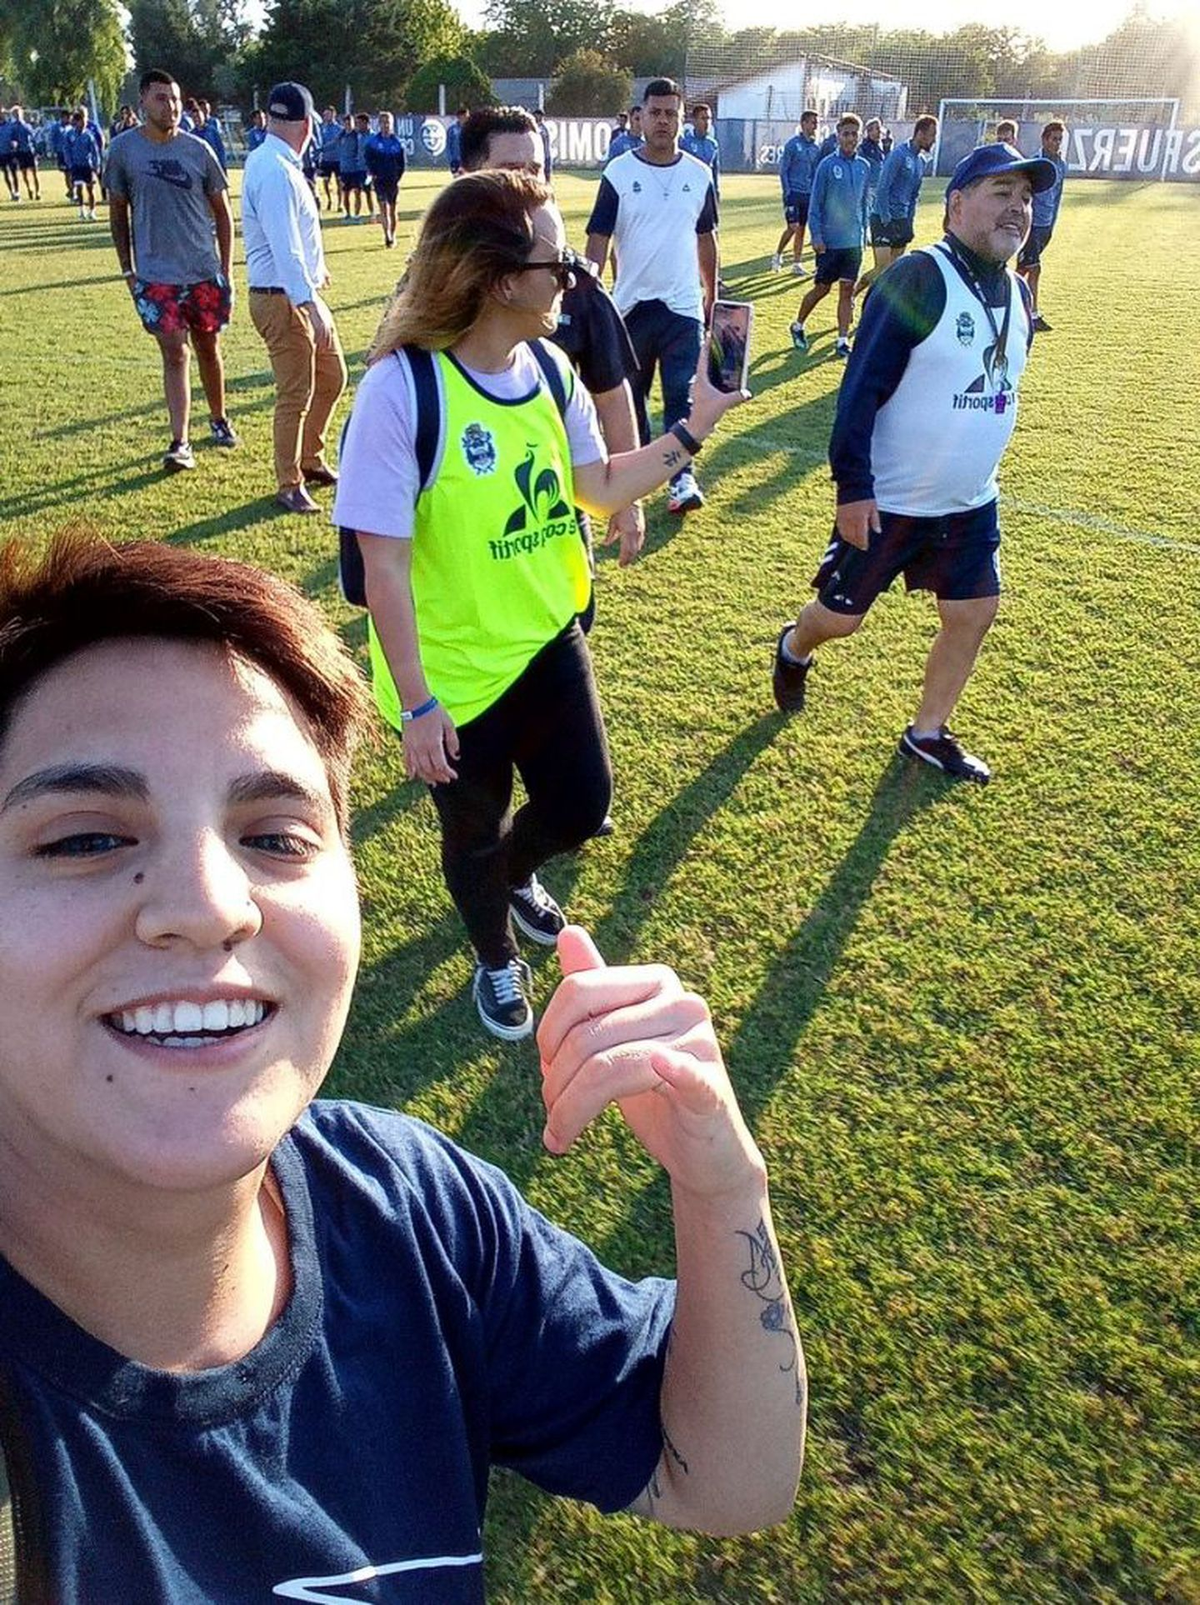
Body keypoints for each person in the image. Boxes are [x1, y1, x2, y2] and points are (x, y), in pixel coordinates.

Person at [0, 528, 804, 1597]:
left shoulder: (413, 1208)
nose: (207, 907)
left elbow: (725, 1480)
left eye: (276, 836)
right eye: (84, 839)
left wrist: (723, 1184)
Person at [333, 171, 746, 1037]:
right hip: (454, 673)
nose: (572, 273)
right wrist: (415, 701)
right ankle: (494, 955)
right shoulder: (402, 392)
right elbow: (384, 567)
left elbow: (597, 486)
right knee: (472, 834)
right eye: (554, 257)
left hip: (550, 638)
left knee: (582, 804)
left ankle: (515, 878)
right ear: (495, 276)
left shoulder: (553, 370)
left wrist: (693, 428)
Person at [771, 142, 1058, 784]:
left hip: (969, 501)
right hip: (891, 500)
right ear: (956, 205)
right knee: (839, 620)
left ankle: (927, 733)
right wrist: (853, 490)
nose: (1018, 209)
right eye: (1001, 193)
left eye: (1026, 199)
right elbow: (859, 392)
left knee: (974, 612)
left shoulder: (1015, 289)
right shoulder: (918, 278)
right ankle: (794, 647)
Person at [459, 105, 645, 581]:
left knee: (571, 620)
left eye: (536, 170)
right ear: (466, 178)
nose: (529, 186)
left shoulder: (574, 280)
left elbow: (610, 389)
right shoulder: (431, 286)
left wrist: (626, 497)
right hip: (458, 514)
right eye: (510, 172)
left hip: (554, 507)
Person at [586, 78, 718, 517]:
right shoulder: (619, 173)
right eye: (655, 113)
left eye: (671, 113)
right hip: (631, 307)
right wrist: (589, 290)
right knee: (632, 400)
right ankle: (634, 482)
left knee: (682, 395)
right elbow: (598, 236)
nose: (663, 121)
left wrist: (711, 292)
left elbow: (706, 237)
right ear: (640, 116)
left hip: (682, 307)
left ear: (682, 118)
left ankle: (682, 480)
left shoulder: (699, 175)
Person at [106, 69, 238, 473]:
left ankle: (218, 418)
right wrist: (128, 270)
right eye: (162, 98)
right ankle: (180, 442)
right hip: (155, 276)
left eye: (176, 99)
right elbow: (117, 213)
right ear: (144, 100)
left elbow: (223, 214)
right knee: (174, 352)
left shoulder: (199, 150)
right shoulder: (124, 151)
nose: (172, 106)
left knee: (208, 349)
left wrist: (226, 270)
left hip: (202, 270)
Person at [242, 80, 347, 515]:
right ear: (307, 125)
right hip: (282, 298)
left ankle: (310, 457)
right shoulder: (275, 169)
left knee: (333, 376)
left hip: (292, 293)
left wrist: (313, 276)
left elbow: (292, 243)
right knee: (295, 393)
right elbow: (284, 247)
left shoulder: (273, 162)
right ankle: (289, 482)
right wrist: (308, 301)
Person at [789, 114, 869, 360]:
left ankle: (843, 341)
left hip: (853, 243)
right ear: (838, 135)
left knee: (847, 291)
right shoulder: (826, 165)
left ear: (859, 136)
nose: (850, 138)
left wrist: (864, 232)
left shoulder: (864, 166)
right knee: (821, 289)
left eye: (854, 134)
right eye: (846, 133)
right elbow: (815, 206)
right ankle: (798, 324)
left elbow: (864, 203)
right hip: (830, 243)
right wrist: (817, 236)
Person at [854, 113, 938, 301]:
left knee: (893, 273)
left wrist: (909, 221)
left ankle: (877, 308)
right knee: (882, 268)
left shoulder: (919, 161)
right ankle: (853, 294)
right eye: (932, 135)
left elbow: (914, 195)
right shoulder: (899, 154)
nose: (934, 139)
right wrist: (885, 217)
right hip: (883, 219)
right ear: (921, 133)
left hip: (902, 221)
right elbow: (883, 187)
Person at [1017, 121, 1067, 332]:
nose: (1056, 143)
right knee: (1033, 269)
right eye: (1053, 139)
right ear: (1044, 139)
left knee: (1023, 270)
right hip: (1033, 225)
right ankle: (1032, 315)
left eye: (1059, 140)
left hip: (1046, 226)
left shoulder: (1061, 165)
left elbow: (1057, 197)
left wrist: (1052, 224)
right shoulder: (1035, 164)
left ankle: (1015, 308)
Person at [773, 110, 821, 276]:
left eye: (817, 122)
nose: (815, 126)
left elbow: (815, 172)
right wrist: (787, 191)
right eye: (812, 122)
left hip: (808, 194)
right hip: (793, 192)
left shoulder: (816, 147)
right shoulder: (793, 145)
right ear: (803, 124)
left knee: (801, 229)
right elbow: (784, 170)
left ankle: (796, 263)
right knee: (792, 227)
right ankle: (778, 254)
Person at [364, 109, 406, 248]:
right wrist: (373, 172)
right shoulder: (374, 142)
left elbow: (402, 163)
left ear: (392, 124)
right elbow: (368, 159)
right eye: (382, 122)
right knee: (383, 208)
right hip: (379, 179)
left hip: (392, 180)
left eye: (387, 122)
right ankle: (386, 235)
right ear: (379, 124)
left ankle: (393, 234)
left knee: (393, 209)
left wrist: (397, 176)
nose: (385, 125)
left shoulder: (397, 142)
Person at [63, 109, 101, 221]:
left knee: (90, 189)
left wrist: (96, 165)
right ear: (76, 122)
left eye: (84, 121)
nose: (83, 123)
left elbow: (95, 151)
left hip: (87, 166)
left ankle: (92, 211)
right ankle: (81, 210)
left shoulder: (89, 135)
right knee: (79, 189)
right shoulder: (70, 134)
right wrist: (70, 163)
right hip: (76, 166)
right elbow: (67, 150)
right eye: (81, 121)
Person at [680, 102, 720, 200]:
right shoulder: (684, 142)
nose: (707, 122)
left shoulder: (712, 144)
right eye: (703, 118)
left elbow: (715, 169)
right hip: (689, 191)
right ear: (694, 121)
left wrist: (716, 190)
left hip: (707, 190)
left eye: (709, 118)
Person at [6, 107, 39, 201]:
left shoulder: (27, 126)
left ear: (22, 114)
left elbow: (33, 138)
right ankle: (29, 189)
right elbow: (12, 140)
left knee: (35, 172)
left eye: (18, 113)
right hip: (20, 152)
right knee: (24, 174)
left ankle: (37, 192)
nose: (17, 115)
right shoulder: (13, 127)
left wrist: (36, 150)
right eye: (15, 114)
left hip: (29, 151)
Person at [315, 105, 342, 210]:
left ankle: (340, 203)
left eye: (328, 114)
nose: (326, 116)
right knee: (325, 182)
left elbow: (336, 142)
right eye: (325, 115)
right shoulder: (322, 128)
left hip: (337, 159)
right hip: (326, 159)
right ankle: (329, 200)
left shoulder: (339, 129)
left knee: (339, 183)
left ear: (333, 114)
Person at [190, 99, 228, 172]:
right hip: (199, 167)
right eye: (194, 117)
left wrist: (223, 165)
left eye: (198, 116)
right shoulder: (191, 134)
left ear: (203, 117)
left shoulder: (212, 131)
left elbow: (220, 148)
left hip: (213, 165)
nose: (196, 119)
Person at [858, 116, 885, 215]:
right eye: (877, 129)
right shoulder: (864, 148)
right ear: (869, 132)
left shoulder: (880, 147)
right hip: (868, 187)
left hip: (878, 186)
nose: (879, 132)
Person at [446, 105, 468, 175]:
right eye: (465, 116)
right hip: (456, 159)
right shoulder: (452, 129)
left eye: (467, 116)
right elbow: (448, 145)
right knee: (456, 178)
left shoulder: (471, 128)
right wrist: (451, 159)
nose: (466, 118)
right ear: (459, 117)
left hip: (467, 159)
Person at [534, 107, 553, 180]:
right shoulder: (537, 126)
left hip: (545, 155)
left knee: (546, 175)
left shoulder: (544, 127)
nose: (535, 117)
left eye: (537, 115)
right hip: (539, 156)